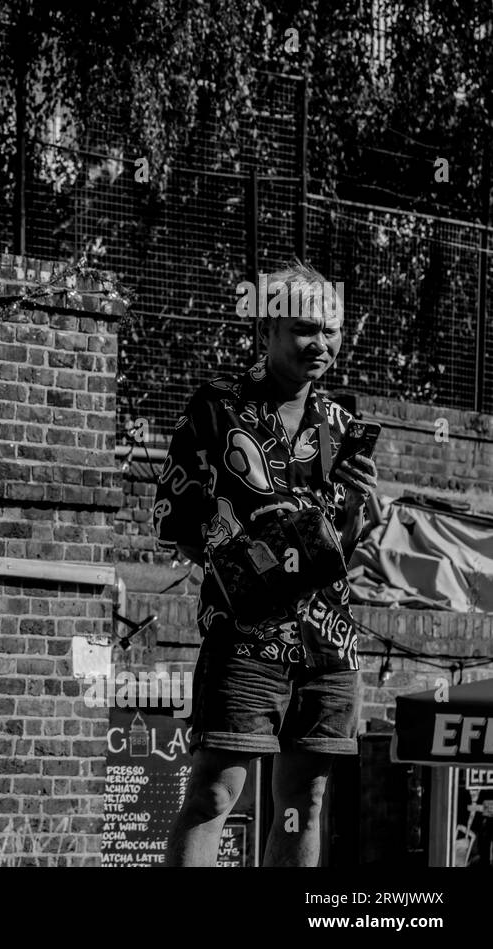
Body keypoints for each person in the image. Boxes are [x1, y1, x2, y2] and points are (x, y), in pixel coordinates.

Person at [156, 261, 378, 867]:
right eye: (306, 328)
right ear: (268, 329)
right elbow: (171, 520)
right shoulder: (217, 407)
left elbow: (342, 549)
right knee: (212, 795)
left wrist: (356, 506)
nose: (322, 343)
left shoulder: (337, 424)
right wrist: (255, 546)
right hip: (246, 636)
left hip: (329, 642)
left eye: (331, 330)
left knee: (304, 805)